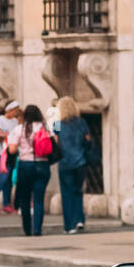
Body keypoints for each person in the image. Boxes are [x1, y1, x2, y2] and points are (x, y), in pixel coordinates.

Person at [8, 103, 50, 236]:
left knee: (25, 199)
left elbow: (12, 149)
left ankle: (27, 229)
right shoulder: (45, 127)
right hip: (42, 164)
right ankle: (37, 229)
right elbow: (56, 138)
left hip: (25, 165)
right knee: (38, 199)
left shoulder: (19, 129)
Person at [54, 96, 92, 234]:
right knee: (78, 192)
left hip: (64, 163)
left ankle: (69, 226)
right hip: (80, 162)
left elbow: (56, 143)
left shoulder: (57, 124)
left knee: (66, 194)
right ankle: (79, 220)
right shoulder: (81, 122)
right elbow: (88, 140)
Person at [0, 101, 20, 214]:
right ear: (9, 110)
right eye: (15, 110)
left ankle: (6, 204)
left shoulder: (15, 121)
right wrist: (10, 135)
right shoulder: (0, 120)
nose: (16, 112)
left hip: (12, 152)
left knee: (8, 180)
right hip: (1, 152)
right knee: (3, 176)